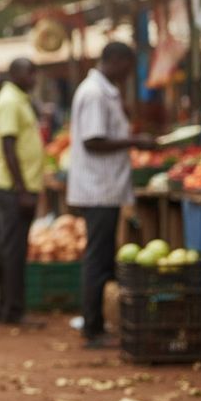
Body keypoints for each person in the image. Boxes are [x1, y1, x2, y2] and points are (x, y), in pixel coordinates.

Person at [67, 42, 157, 349]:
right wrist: (134, 141)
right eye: (129, 66)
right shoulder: (94, 93)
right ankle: (92, 328)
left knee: (101, 256)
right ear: (116, 61)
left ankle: (94, 324)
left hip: (103, 187)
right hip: (98, 188)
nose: (129, 73)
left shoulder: (102, 90)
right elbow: (93, 140)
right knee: (97, 258)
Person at [0, 58, 44, 326]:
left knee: (13, 250)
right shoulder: (10, 101)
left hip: (18, 187)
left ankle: (8, 308)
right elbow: (8, 147)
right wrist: (22, 190)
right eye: (30, 72)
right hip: (12, 189)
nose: (34, 77)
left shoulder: (19, 98)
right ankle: (12, 311)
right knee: (12, 251)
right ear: (14, 74)